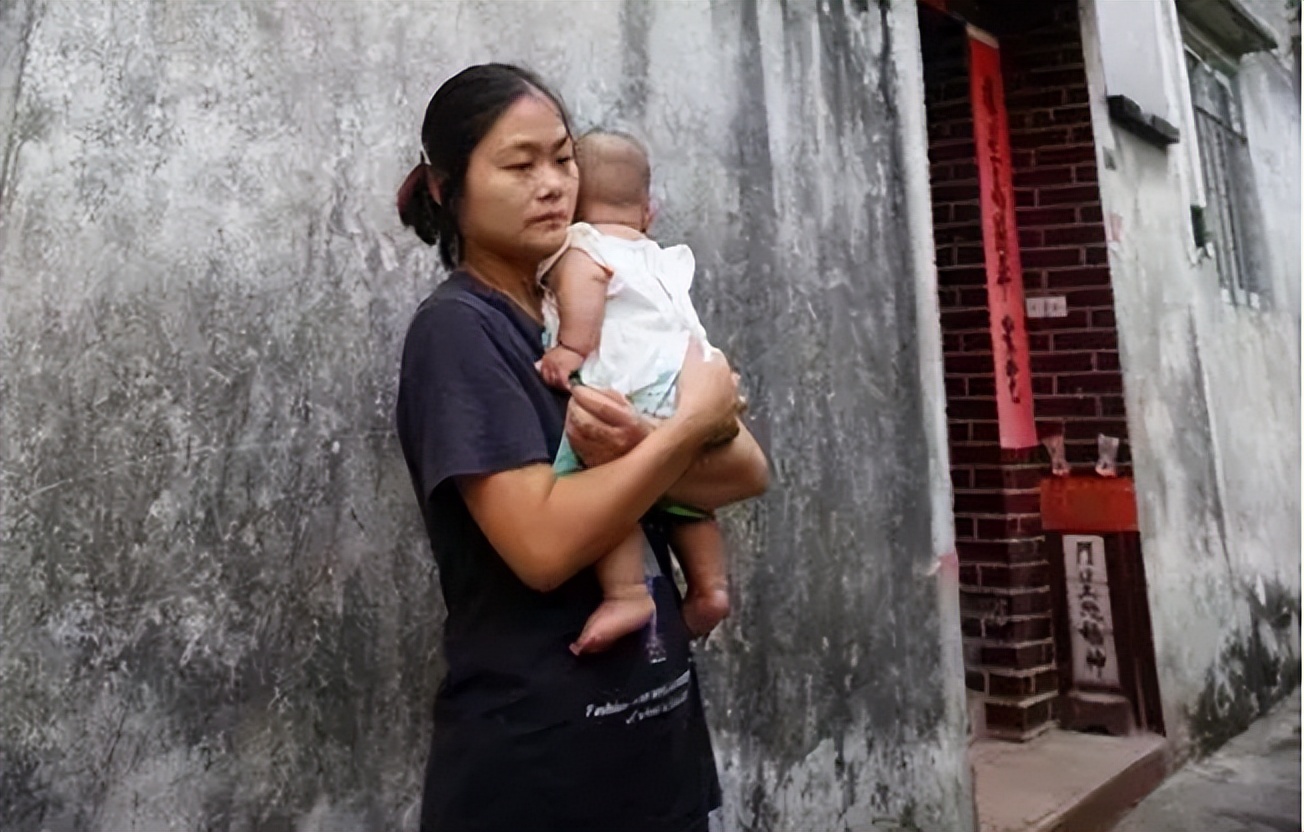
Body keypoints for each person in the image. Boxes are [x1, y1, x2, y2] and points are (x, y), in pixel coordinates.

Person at [394, 63, 768, 832]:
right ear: (445, 187)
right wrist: (684, 432)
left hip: (655, 753)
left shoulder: (596, 306)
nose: (553, 184)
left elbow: (747, 471)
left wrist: (666, 440)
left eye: (562, 159)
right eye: (518, 165)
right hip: (541, 773)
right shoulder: (461, 331)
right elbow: (541, 543)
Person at [536, 130, 735, 656]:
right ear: (649, 211)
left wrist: (570, 351)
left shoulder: (582, 246)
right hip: (687, 386)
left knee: (602, 482)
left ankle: (626, 593)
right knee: (688, 499)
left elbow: (585, 287)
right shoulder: (661, 258)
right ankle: (710, 588)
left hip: (630, 387)